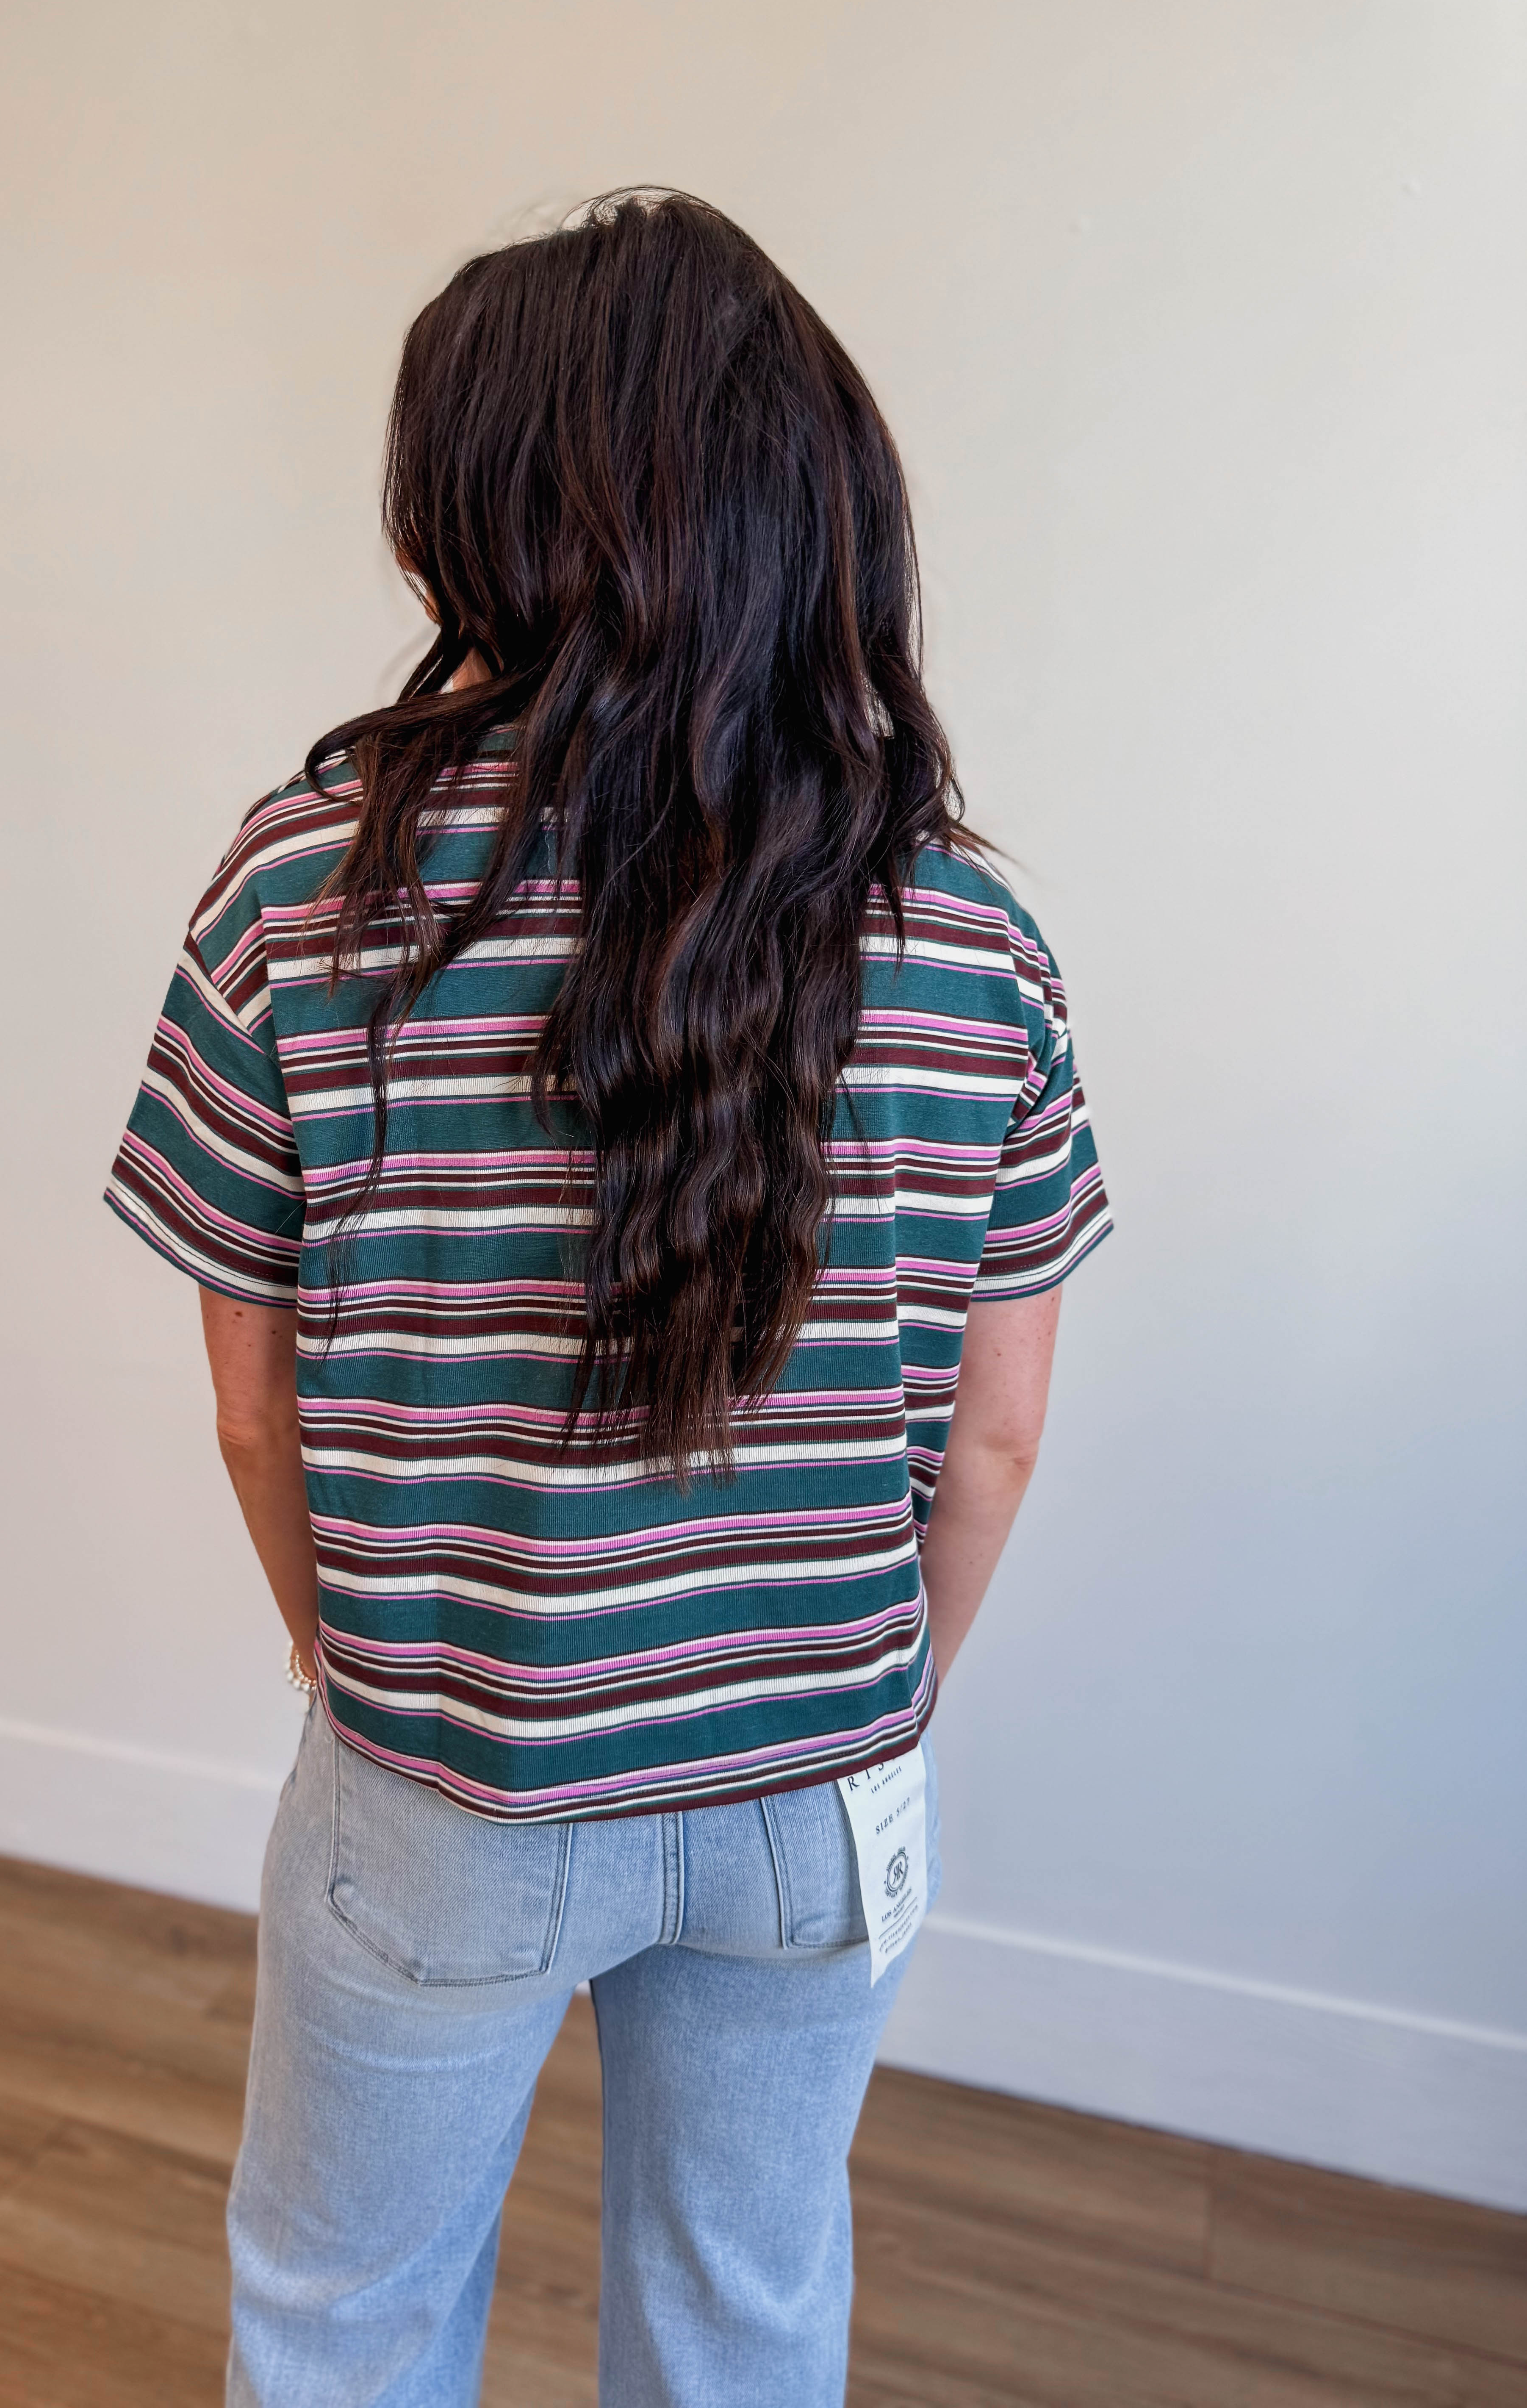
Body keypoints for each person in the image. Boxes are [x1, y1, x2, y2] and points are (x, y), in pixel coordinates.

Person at [105, 189, 1110, 2408]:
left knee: (347, 2313)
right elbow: (999, 1432)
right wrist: (868, 1694)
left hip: (448, 1775)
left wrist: (352, 1660)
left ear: (479, 513)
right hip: (818, 1794)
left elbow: (255, 1414)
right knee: (745, 2313)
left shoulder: (306, 890)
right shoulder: (969, 933)